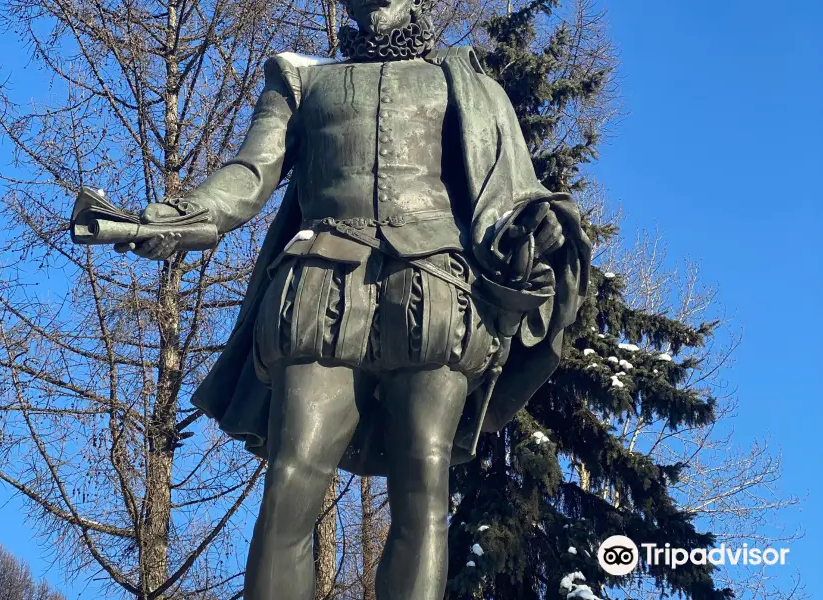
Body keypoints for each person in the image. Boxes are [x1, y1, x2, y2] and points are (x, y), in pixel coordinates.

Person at [114, 0, 590, 597]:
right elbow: (248, 175)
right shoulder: (301, 81)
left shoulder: (467, 83)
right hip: (320, 287)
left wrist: (540, 226)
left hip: (436, 294)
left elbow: (512, 194)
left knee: (424, 488)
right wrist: (176, 218)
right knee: (291, 480)